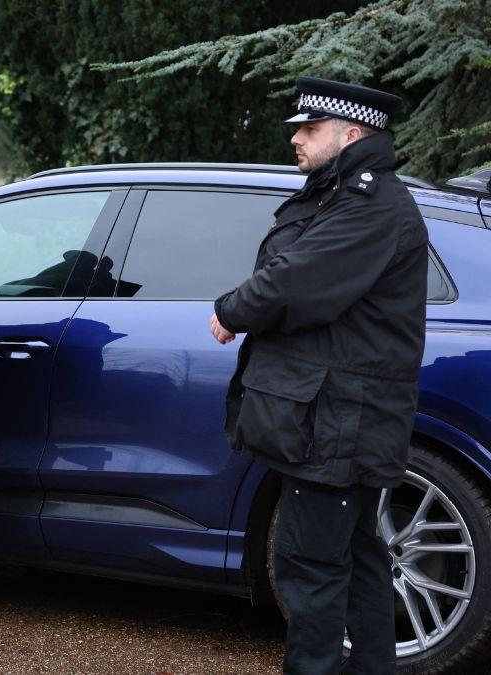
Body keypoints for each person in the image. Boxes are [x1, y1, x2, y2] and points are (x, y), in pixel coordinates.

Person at [209, 77, 427, 673]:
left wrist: (231, 310)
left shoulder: (370, 204)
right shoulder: (343, 195)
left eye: (310, 129)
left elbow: (295, 282)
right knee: (354, 560)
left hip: (337, 422)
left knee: (310, 570)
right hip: (335, 415)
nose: (296, 139)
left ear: (351, 134)